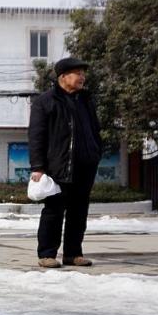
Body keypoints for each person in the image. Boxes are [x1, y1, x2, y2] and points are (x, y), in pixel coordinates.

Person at [28, 56, 103, 268]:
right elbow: (36, 136)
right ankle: (47, 254)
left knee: (79, 212)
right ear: (63, 77)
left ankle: (73, 253)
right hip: (56, 167)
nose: (82, 77)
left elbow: (95, 130)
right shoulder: (45, 101)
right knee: (54, 211)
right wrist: (38, 167)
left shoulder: (86, 100)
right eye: (78, 73)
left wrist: (96, 152)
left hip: (85, 165)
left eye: (83, 73)